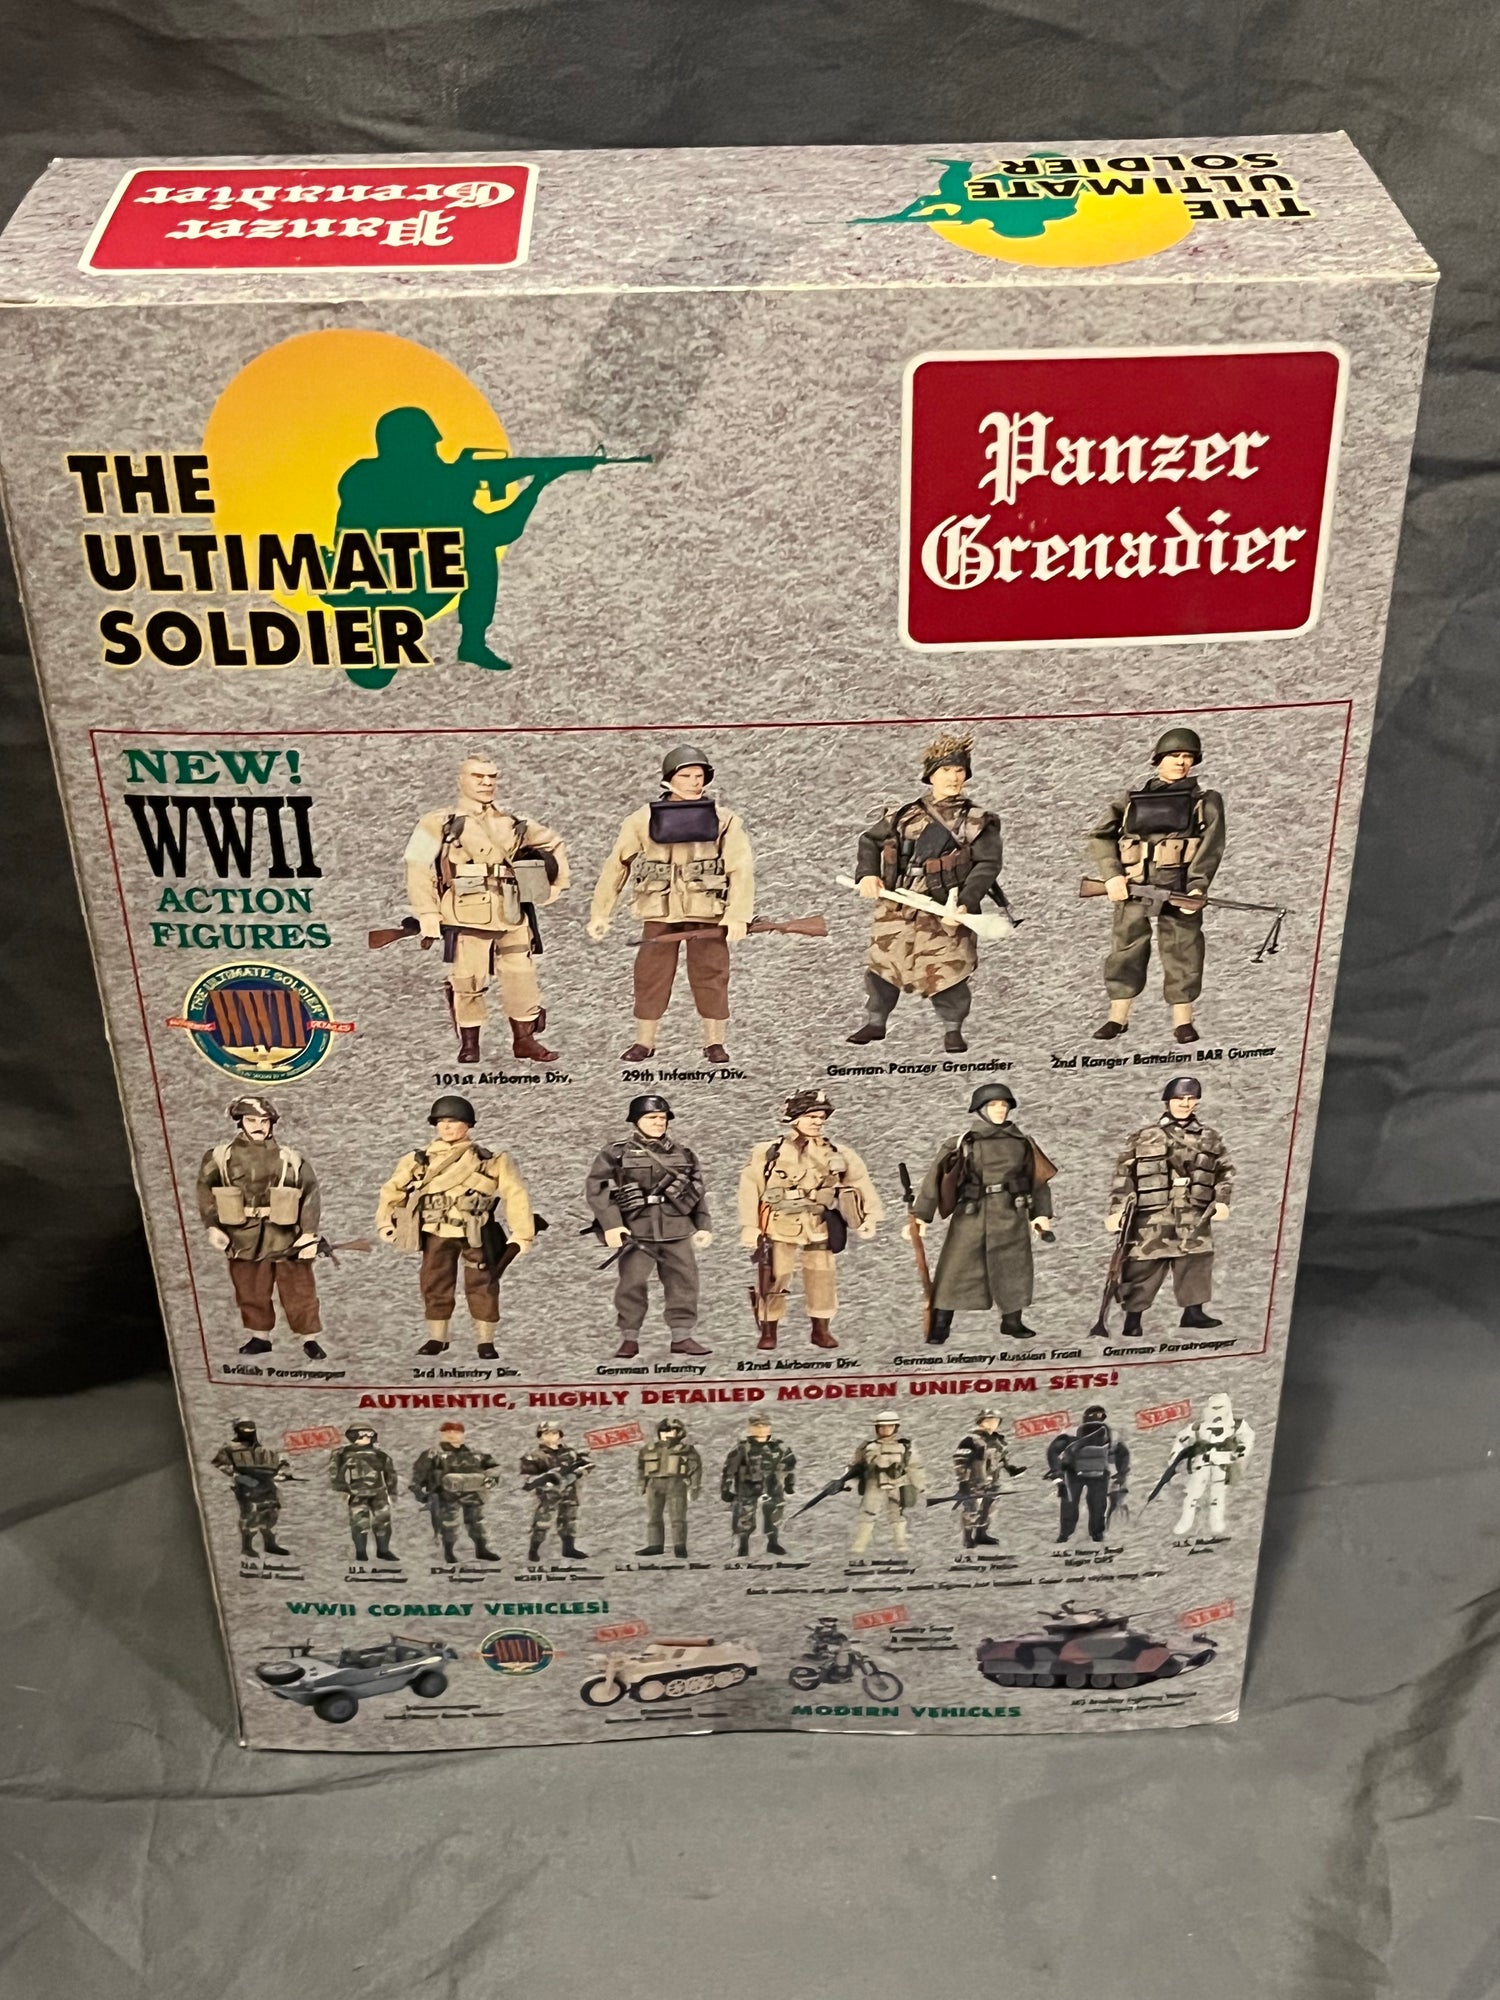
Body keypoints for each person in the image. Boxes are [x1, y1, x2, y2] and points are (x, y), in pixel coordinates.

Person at [332, 406, 618, 679]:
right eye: (429, 448)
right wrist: (534, 487)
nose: (436, 455)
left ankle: (471, 642)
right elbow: (500, 531)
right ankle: (473, 641)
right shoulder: (381, 481)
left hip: (376, 587)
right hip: (405, 588)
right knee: (478, 550)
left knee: (471, 545)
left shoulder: (362, 476)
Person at [588, 744, 754, 1064]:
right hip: (659, 910)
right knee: (650, 975)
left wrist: (738, 915)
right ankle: (644, 1042)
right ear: (669, 778)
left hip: (707, 910)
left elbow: (740, 867)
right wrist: (601, 913)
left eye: (699, 776)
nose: (694, 782)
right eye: (685, 776)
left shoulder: (724, 820)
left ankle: (714, 1042)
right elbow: (617, 865)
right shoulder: (643, 819)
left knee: (712, 974)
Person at [403, 754, 568, 1064]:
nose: (486, 782)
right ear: (461, 780)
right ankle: (470, 1044)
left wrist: (552, 887)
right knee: (468, 979)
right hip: (466, 912)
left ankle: (525, 1039)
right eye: (478, 776)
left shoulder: (512, 822)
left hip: (511, 910)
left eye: (492, 777)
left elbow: (553, 844)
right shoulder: (439, 822)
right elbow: (417, 865)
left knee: (521, 975)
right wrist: (428, 912)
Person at [848, 731, 1007, 1053]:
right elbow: (870, 841)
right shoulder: (904, 815)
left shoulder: (978, 821)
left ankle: (953, 1029)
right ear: (931, 775)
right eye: (946, 770)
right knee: (883, 965)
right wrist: (868, 874)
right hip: (900, 902)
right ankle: (876, 1022)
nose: (954, 777)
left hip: (947, 902)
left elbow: (987, 864)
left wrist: (965, 902)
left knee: (949, 968)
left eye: (959, 770)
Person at [1085, 726, 1225, 1044]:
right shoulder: (1131, 800)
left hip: (1178, 888)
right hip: (1134, 886)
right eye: (1174, 755)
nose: (1181, 762)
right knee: (1126, 949)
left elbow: (1211, 846)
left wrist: (1198, 885)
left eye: (1187, 756)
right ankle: (1117, 1018)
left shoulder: (1204, 801)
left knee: (1183, 950)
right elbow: (1099, 836)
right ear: (1158, 759)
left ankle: (1183, 1021)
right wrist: (1112, 875)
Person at [376, 1095, 535, 1358]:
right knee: (434, 1281)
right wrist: (385, 1222)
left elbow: (515, 1194)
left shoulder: (491, 1160)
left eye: (453, 1121)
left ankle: (485, 1341)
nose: (447, 1127)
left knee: (483, 1282)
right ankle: (437, 1338)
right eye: (441, 1122)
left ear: (468, 1124)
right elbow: (392, 1190)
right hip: (435, 1230)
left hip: (476, 1231)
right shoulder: (419, 1160)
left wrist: (522, 1234)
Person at [907, 1083, 1055, 1344]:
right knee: (955, 1268)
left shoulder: (1022, 1143)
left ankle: (1012, 1320)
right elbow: (935, 1178)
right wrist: (921, 1215)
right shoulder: (964, 1142)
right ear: (980, 1109)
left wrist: (1040, 1215)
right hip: (972, 1212)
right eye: (993, 1105)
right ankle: (941, 1322)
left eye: (1004, 1105)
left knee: (1014, 1268)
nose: (1000, 1110)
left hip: (1011, 1212)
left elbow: (1037, 1180)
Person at [738, 1089, 881, 1351]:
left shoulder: (836, 1152)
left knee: (822, 1277)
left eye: (821, 1117)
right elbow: (751, 1187)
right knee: (775, 1276)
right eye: (811, 1116)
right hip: (780, 1223)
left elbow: (860, 1183)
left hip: (818, 1224)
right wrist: (750, 1226)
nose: (818, 1121)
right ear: (794, 1118)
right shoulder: (769, 1151)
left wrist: (869, 1217)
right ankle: (769, 1329)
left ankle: (821, 1330)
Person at [195, 1096, 325, 1359]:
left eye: (264, 1121)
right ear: (240, 1122)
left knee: (299, 1290)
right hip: (242, 1238)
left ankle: (309, 1339)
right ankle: (260, 1337)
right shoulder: (220, 1157)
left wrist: (308, 1234)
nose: (258, 1126)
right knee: (250, 1289)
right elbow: (206, 1192)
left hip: (286, 1238)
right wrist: (213, 1227)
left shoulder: (290, 1158)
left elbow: (310, 1193)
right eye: (252, 1120)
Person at [585, 1094, 712, 1360]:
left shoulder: (684, 1154)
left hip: (677, 1229)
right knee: (631, 1284)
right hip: (636, 1230)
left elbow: (697, 1192)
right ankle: (629, 1337)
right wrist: (612, 1225)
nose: (658, 1122)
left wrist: (702, 1225)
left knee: (684, 1282)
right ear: (636, 1121)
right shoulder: (616, 1153)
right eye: (651, 1117)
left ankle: (682, 1336)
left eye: (662, 1118)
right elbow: (598, 1190)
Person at [1107, 1077, 1233, 1336]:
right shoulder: (1145, 1136)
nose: (1185, 1104)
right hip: (1153, 1212)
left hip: (1194, 1210)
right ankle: (1133, 1318)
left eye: (1190, 1099)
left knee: (1195, 1260)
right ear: (1168, 1101)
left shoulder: (1210, 1137)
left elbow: (1224, 1171)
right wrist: (1118, 1209)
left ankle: (1193, 1313)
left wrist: (1221, 1200)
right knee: (1143, 1263)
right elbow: (1124, 1175)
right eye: (1179, 1099)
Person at [1161, 1393, 1255, 1537]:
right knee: (1192, 1494)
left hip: (1222, 1463)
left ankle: (1216, 1522)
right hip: (1202, 1463)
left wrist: (1241, 1451)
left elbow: (1248, 1437)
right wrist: (1174, 1457)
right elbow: (1181, 1439)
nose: (1217, 1412)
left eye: (1220, 1407)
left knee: (1218, 1494)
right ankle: (1186, 1521)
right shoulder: (1198, 1426)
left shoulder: (1236, 1425)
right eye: (1214, 1408)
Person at [411, 1420, 500, 1563]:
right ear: (442, 1434)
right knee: (448, 1524)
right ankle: (449, 1552)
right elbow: (418, 1474)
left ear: (463, 1435)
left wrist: (491, 1478)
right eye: (448, 1432)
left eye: (457, 1432)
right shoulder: (433, 1454)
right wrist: (421, 1494)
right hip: (445, 1494)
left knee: (477, 1521)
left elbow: (493, 1468)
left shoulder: (475, 1454)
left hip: (472, 1492)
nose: (452, 1435)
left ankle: (481, 1549)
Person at [1046, 1407, 1129, 1544]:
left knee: (1076, 1505)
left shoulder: (1071, 1432)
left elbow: (1053, 1451)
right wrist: (1122, 1473)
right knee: (1094, 1505)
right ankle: (1093, 1534)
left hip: (1079, 1473)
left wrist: (1057, 1470)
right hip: (1093, 1473)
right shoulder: (1111, 1434)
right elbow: (1123, 1455)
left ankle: (1068, 1535)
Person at [211, 1419, 292, 1558]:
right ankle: (247, 1547)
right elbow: (220, 1464)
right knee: (250, 1515)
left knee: (271, 1512)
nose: (249, 1433)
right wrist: (237, 1476)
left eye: (251, 1430)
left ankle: (270, 1544)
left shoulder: (261, 1447)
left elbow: (275, 1464)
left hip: (266, 1485)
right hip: (246, 1486)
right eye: (245, 1430)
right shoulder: (229, 1448)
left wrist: (280, 1474)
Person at [847, 1414, 926, 1555]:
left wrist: (919, 1485)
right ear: (877, 1428)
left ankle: (901, 1544)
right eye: (882, 1426)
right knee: (868, 1513)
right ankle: (859, 1546)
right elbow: (855, 1467)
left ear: (895, 1428)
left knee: (897, 1514)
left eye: (890, 1426)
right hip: (874, 1484)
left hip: (897, 1484)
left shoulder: (904, 1447)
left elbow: (914, 1467)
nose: (886, 1429)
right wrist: (848, 1483)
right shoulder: (868, 1447)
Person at [720, 1412, 797, 1557]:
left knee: (774, 1513)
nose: (761, 1429)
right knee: (745, 1516)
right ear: (750, 1429)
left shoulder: (779, 1447)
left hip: (773, 1486)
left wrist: (789, 1484)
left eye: (764, 1426)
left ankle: (773, 1543)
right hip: (747, 1487)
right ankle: (743, 1546)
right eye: (757, 1426)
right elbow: (729, 1470)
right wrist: (725, 1488)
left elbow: (789, 1466)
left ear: (769, 1428)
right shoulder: (742, 1448)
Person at [952, 1408, 1024, 1550]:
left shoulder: (998, 1441)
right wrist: (963, 1482)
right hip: (975, 1482)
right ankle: (968, 1538)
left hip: (993, 1481)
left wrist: (1011, 1469)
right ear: (980, 1422)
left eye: (996, 1421)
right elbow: (960, 1461)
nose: (993, 1424)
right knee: (972, 1510)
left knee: (988, 1509)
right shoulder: (971, 1440)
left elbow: (1001, 1458)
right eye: (989, 1420)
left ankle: (981, 1534)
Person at [520, 1421, 592, 1562]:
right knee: (542, 1522)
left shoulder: (570, 1452)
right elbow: (528, 1480)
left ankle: (569, 1549)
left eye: (554, 1433)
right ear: (540, 1436)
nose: (551, 1436)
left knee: (569, 1519)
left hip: (569, 1492)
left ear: (560, 1435)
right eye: (546, 1433)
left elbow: (587, 1465)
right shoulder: (534, 1456)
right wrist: (547, 1477)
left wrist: (576, 1474)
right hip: (548, 1494)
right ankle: (533, 1550)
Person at [328, 1424, 400, 1563]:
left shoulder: (379, 1455)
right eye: (362, 1434)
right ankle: (361, 1552)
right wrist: (343, 1489)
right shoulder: (342, 1454)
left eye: (370, 1435)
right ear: (353, 1436)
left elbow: (390, 1473)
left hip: (379, 1493)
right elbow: (335, 1473)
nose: (367, 1437)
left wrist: (392, 1492)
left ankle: (383, 1551)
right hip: (357, 1493)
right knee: (359, 1523)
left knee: (383, 1522)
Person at [636, 1417, 702, 1558]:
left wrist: (694, 1486)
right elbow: (641, 1467)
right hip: (654, 1485)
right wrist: (642, 1483)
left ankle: (679, 1546)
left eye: (671, 1431)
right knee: (653, 1516)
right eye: (663, 1431)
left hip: (676, 1484)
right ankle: (655, 1545)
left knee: (677, 1517)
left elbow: (695, 1468)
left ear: (679, 1432)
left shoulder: (686, 1450)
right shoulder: (648, 1449)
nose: (666, 1434)